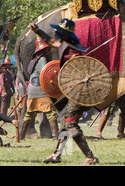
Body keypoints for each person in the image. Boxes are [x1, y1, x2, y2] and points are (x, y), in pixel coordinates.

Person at [29, 18, 99, 165]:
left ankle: (90, 157)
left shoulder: (72, 51)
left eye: (59, 32)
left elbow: (82, 70)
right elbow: (51, 42)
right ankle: (57, 154)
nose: (57, 34)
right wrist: (38, 31)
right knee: (64, 121)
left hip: (80, 91)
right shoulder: (63, 45)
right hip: (73, 91)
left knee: (71, 123)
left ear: (66, 35)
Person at [20, 36, 59, 140]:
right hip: (40, 89)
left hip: (32, 89)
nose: (47, 50)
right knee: (51, 112)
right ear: (42, 50)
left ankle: (22, 135)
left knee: (29, 114)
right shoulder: (42, 59)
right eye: (46, 49)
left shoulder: (33, 60)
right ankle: (56, 136)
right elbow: (46, 74)